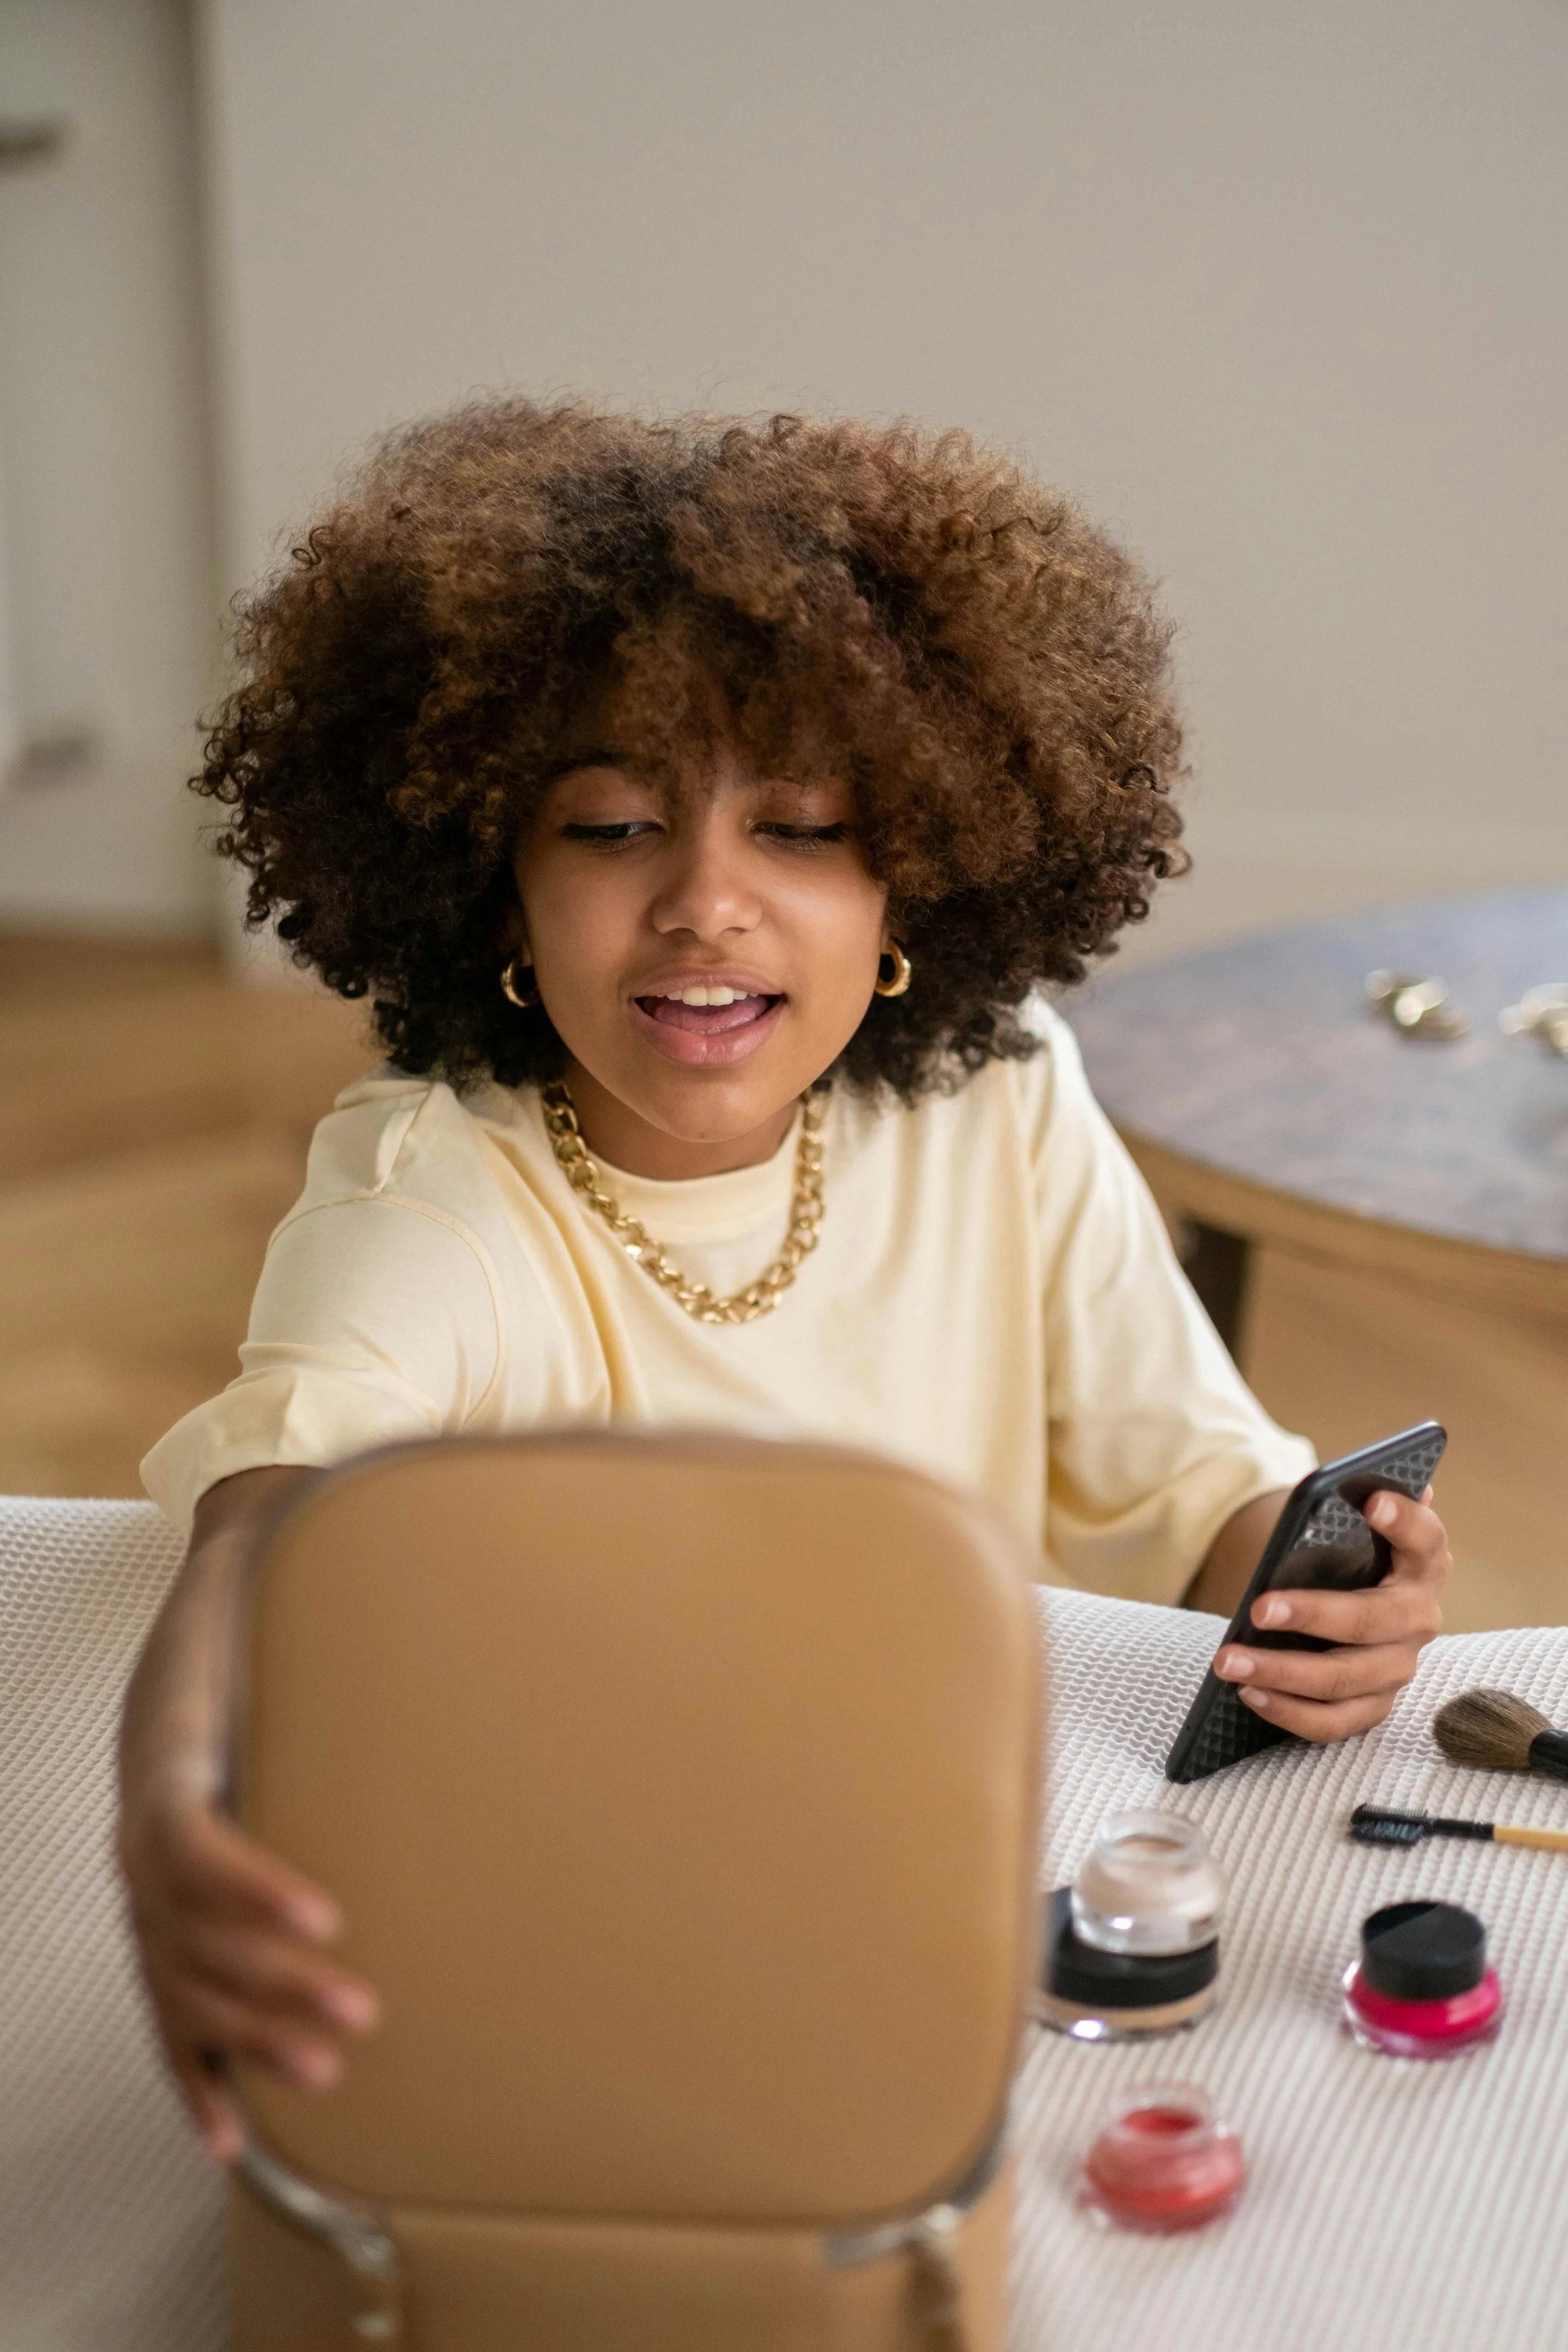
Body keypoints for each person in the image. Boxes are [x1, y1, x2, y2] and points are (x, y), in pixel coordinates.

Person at [119, 401, 1449, 2159]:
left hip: (959, 1860)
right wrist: (164, 1804)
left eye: (802, 826)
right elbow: (259, 1523)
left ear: (917, 867)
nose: (705, 902)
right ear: (489, 884)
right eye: (609, 825)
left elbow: (1192, 1479)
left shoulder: (999, 1091)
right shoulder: (434, 1191)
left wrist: (1315, 1600)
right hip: (609, 1914)